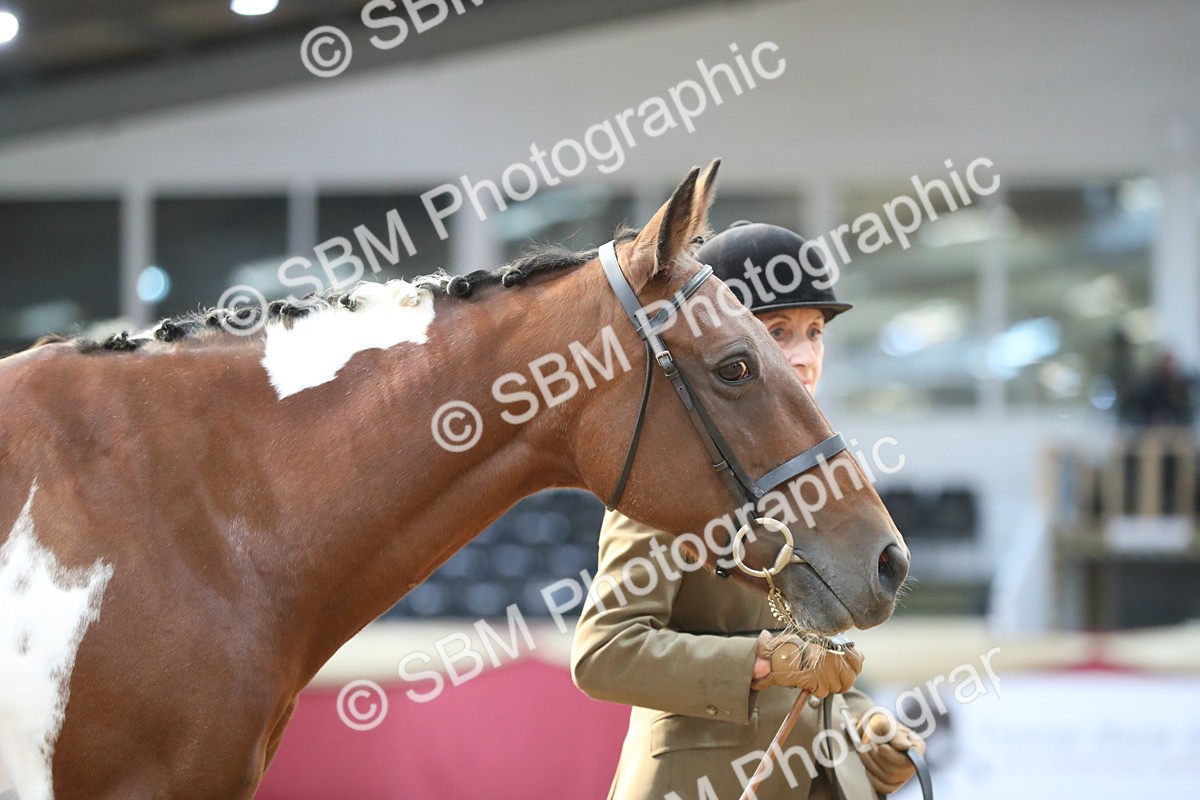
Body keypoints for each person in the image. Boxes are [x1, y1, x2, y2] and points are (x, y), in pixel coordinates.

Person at [571, 221, 925, 799]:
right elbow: (604, 653)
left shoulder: (814, 479)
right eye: (778, 332)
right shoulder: (668, 482)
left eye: (815, 333)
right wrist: (762, 661)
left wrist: (862, 722)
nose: (805, 356)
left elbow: (810, 660)